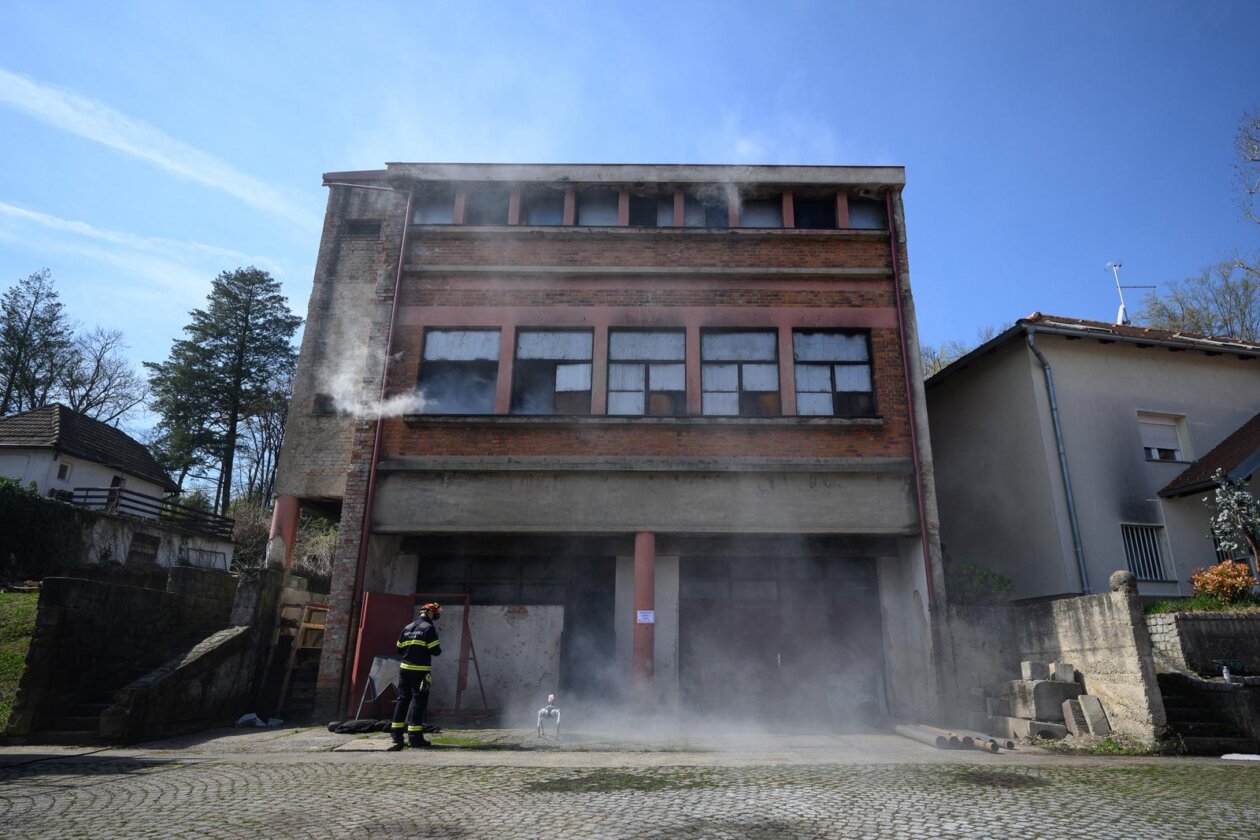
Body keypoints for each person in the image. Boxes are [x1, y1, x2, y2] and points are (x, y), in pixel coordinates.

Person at [389, 601, 442, 750]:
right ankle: (415, 737)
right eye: (436, 613)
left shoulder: (407, 628)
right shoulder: (428, 628)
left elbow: (399, 649)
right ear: (431, 612)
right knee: (419, 702)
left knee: (402, 700)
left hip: (404, 670)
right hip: (421, 671)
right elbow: (435, 651)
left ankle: (396, 734)